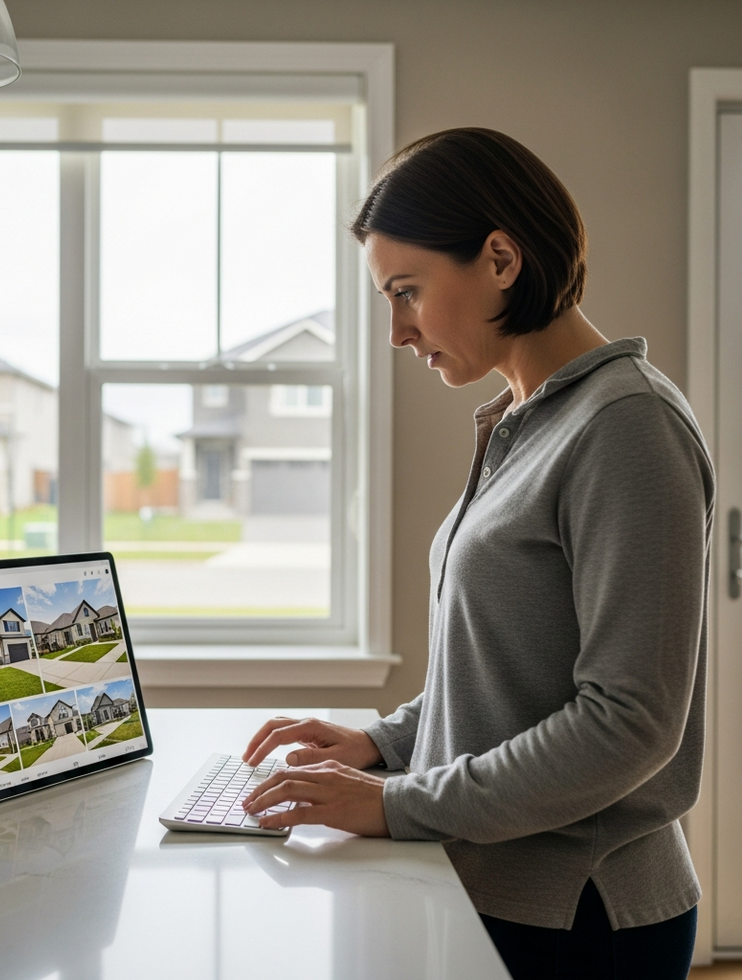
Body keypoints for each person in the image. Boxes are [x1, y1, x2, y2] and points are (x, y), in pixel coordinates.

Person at [240, 128, 713, 980]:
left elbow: (629, 723)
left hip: (579, 914)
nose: (396, 330)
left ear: (500, 258)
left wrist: (395, 803)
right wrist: (381, 744)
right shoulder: (528, 422)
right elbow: (505, 671)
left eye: (408, 291)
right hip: (494, 883)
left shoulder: (627, 427)